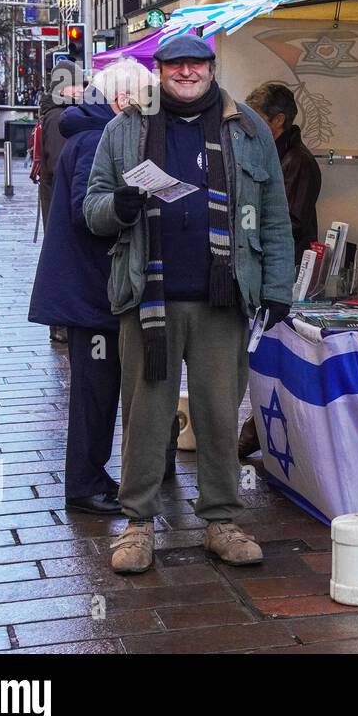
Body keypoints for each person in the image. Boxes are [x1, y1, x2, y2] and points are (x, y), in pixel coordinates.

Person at [85, 34, 295, 575]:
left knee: (220, 416)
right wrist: (119, 206)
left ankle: (222, 521)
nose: (185, 72)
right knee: (145, 417)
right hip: (147, 299)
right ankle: (137, 525)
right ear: (159, 70)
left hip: (224, 297)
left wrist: (278, 285)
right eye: (174, 64)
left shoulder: (248, 128)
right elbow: (92, 210)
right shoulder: (124, 128)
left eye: (195, 64)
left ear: (211, 67)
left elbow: (273, 213)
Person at [28, 60, 157, 514]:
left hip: (91, 287)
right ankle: (85, 484)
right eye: (145, 101)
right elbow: (89, 213)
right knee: (95, 391)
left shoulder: (91, 131)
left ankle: (92, 476)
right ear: (123, 100)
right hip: (92, 291)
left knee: (98, 387)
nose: (149, 111)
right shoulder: (94, 139)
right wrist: (127, 205)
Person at [236, 82, 323, 459]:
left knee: (273, 352)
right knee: (266, 355)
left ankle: (255, 430)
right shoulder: (269, 152)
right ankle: (255, 429)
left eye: (258, 119)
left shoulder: (298, 162)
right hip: (269, 269)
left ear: (279, 121)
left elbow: (286, 222)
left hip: (284, 273)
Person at [39, 62, 86, 344]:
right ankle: (60, 325)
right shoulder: (59, 117)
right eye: (78, 85)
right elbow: (58, 164)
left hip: (58, 197)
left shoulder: (59, 112)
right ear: (63, 88)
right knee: (62, 261)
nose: (83, 90)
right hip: (60, 199)